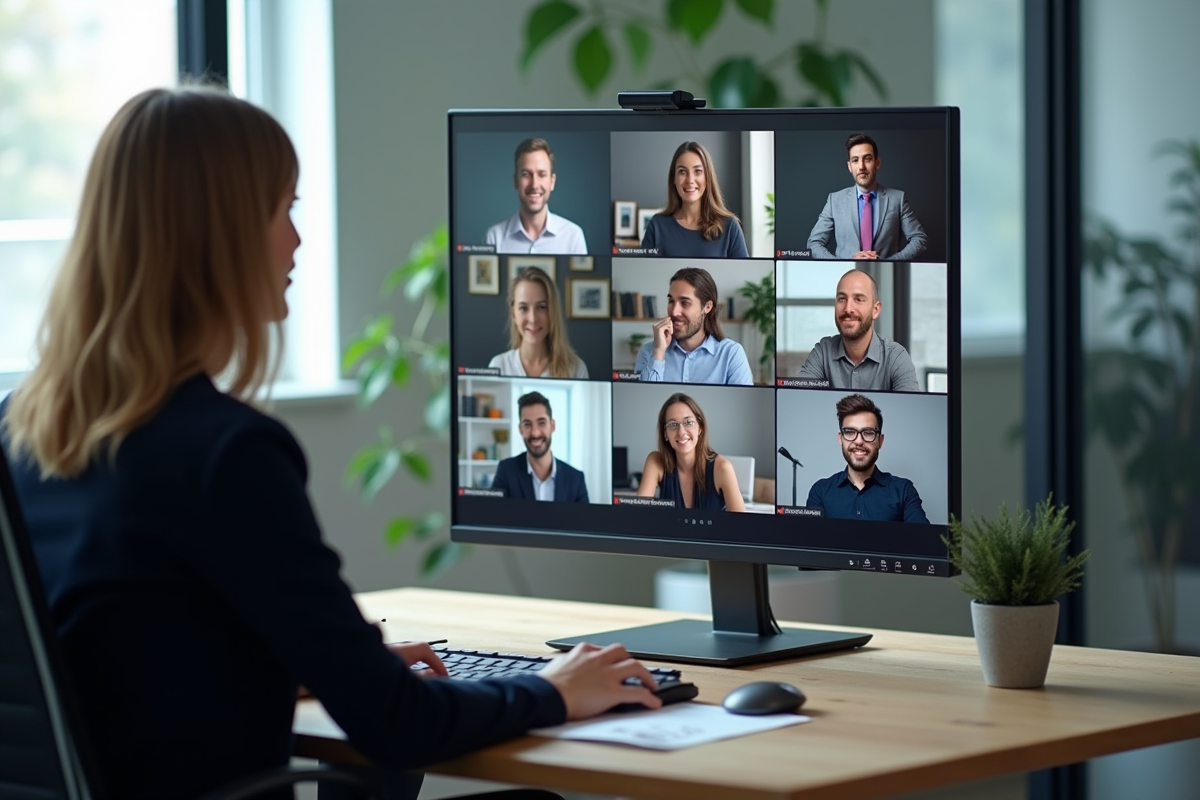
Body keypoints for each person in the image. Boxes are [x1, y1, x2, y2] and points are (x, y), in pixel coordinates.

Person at [0, 87, 659, 800]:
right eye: (284, 209)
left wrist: (307, 664)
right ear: (218, 236)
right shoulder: (228, 456)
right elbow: (397, 724)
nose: (297, 240)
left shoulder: (22, 425)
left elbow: (125, 652)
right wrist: (553, 689)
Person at [805, 394, 930, 523]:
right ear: (840, 439)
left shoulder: (904, 491)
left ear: (880, 441)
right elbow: (810, 540)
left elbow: (922, 541)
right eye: (850, 432)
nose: (859, 441)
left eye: (868, 433)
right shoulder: (820, 491)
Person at [806, 132, 928, 261]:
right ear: (849, 166)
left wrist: (887, 262)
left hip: (885, 276)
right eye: (855, 160)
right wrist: (843, 263)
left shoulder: (897, 199)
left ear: (877, 163)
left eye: (867, 159)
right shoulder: (834, 200)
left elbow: (920, 239)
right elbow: (814, 243)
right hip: (847, 275)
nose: (861, 167)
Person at [796, 268, 920, 392]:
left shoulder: (896, 357)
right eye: (842, 299)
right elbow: (798, 397)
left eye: (859, 299)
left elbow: (910, 408)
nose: (848, 308)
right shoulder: (823, 351)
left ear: (875, 310)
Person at [633, 267, 753, 385]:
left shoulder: (732, 354)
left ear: (707, 307)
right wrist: (659, 352)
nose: (674, 312)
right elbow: (641, 399)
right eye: (671, 301)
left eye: (685, 303)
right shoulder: (649, 352)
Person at [636, 393, 745, 511]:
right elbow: (639, 516)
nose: (681, 432)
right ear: (665, 434)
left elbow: (742, 526)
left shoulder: (722, 469)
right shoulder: (656, 462)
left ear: (700, 428)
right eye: (673, 424)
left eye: (688, 422)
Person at [640, 141, 749, 258]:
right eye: (682, 172)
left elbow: (744, 276)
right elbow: (643, 273)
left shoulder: (730, 228)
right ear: (674, 179)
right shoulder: (657, 226)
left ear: (707, 178)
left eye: (697, 171)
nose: (690, 180)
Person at [485, 137, 587, 254]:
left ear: (552, 182)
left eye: (542, 175)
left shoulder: (573, 237)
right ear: (515, 181)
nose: (534, 185)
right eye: (526, 174)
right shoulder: (494, 237)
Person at [489, 266, 588, 378]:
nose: (533, 319)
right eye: (523, 308)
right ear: (513, 314)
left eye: (541, 307)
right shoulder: (498, 366)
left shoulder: (576, 368)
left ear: (552, 311)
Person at [491, 391, 589, 503]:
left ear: (552, 426)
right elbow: (494, 517)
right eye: (527, 425)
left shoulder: (576, 479)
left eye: (541, 423)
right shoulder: (506, 471)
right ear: (520, 429)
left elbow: (584, 520)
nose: (535, 433)